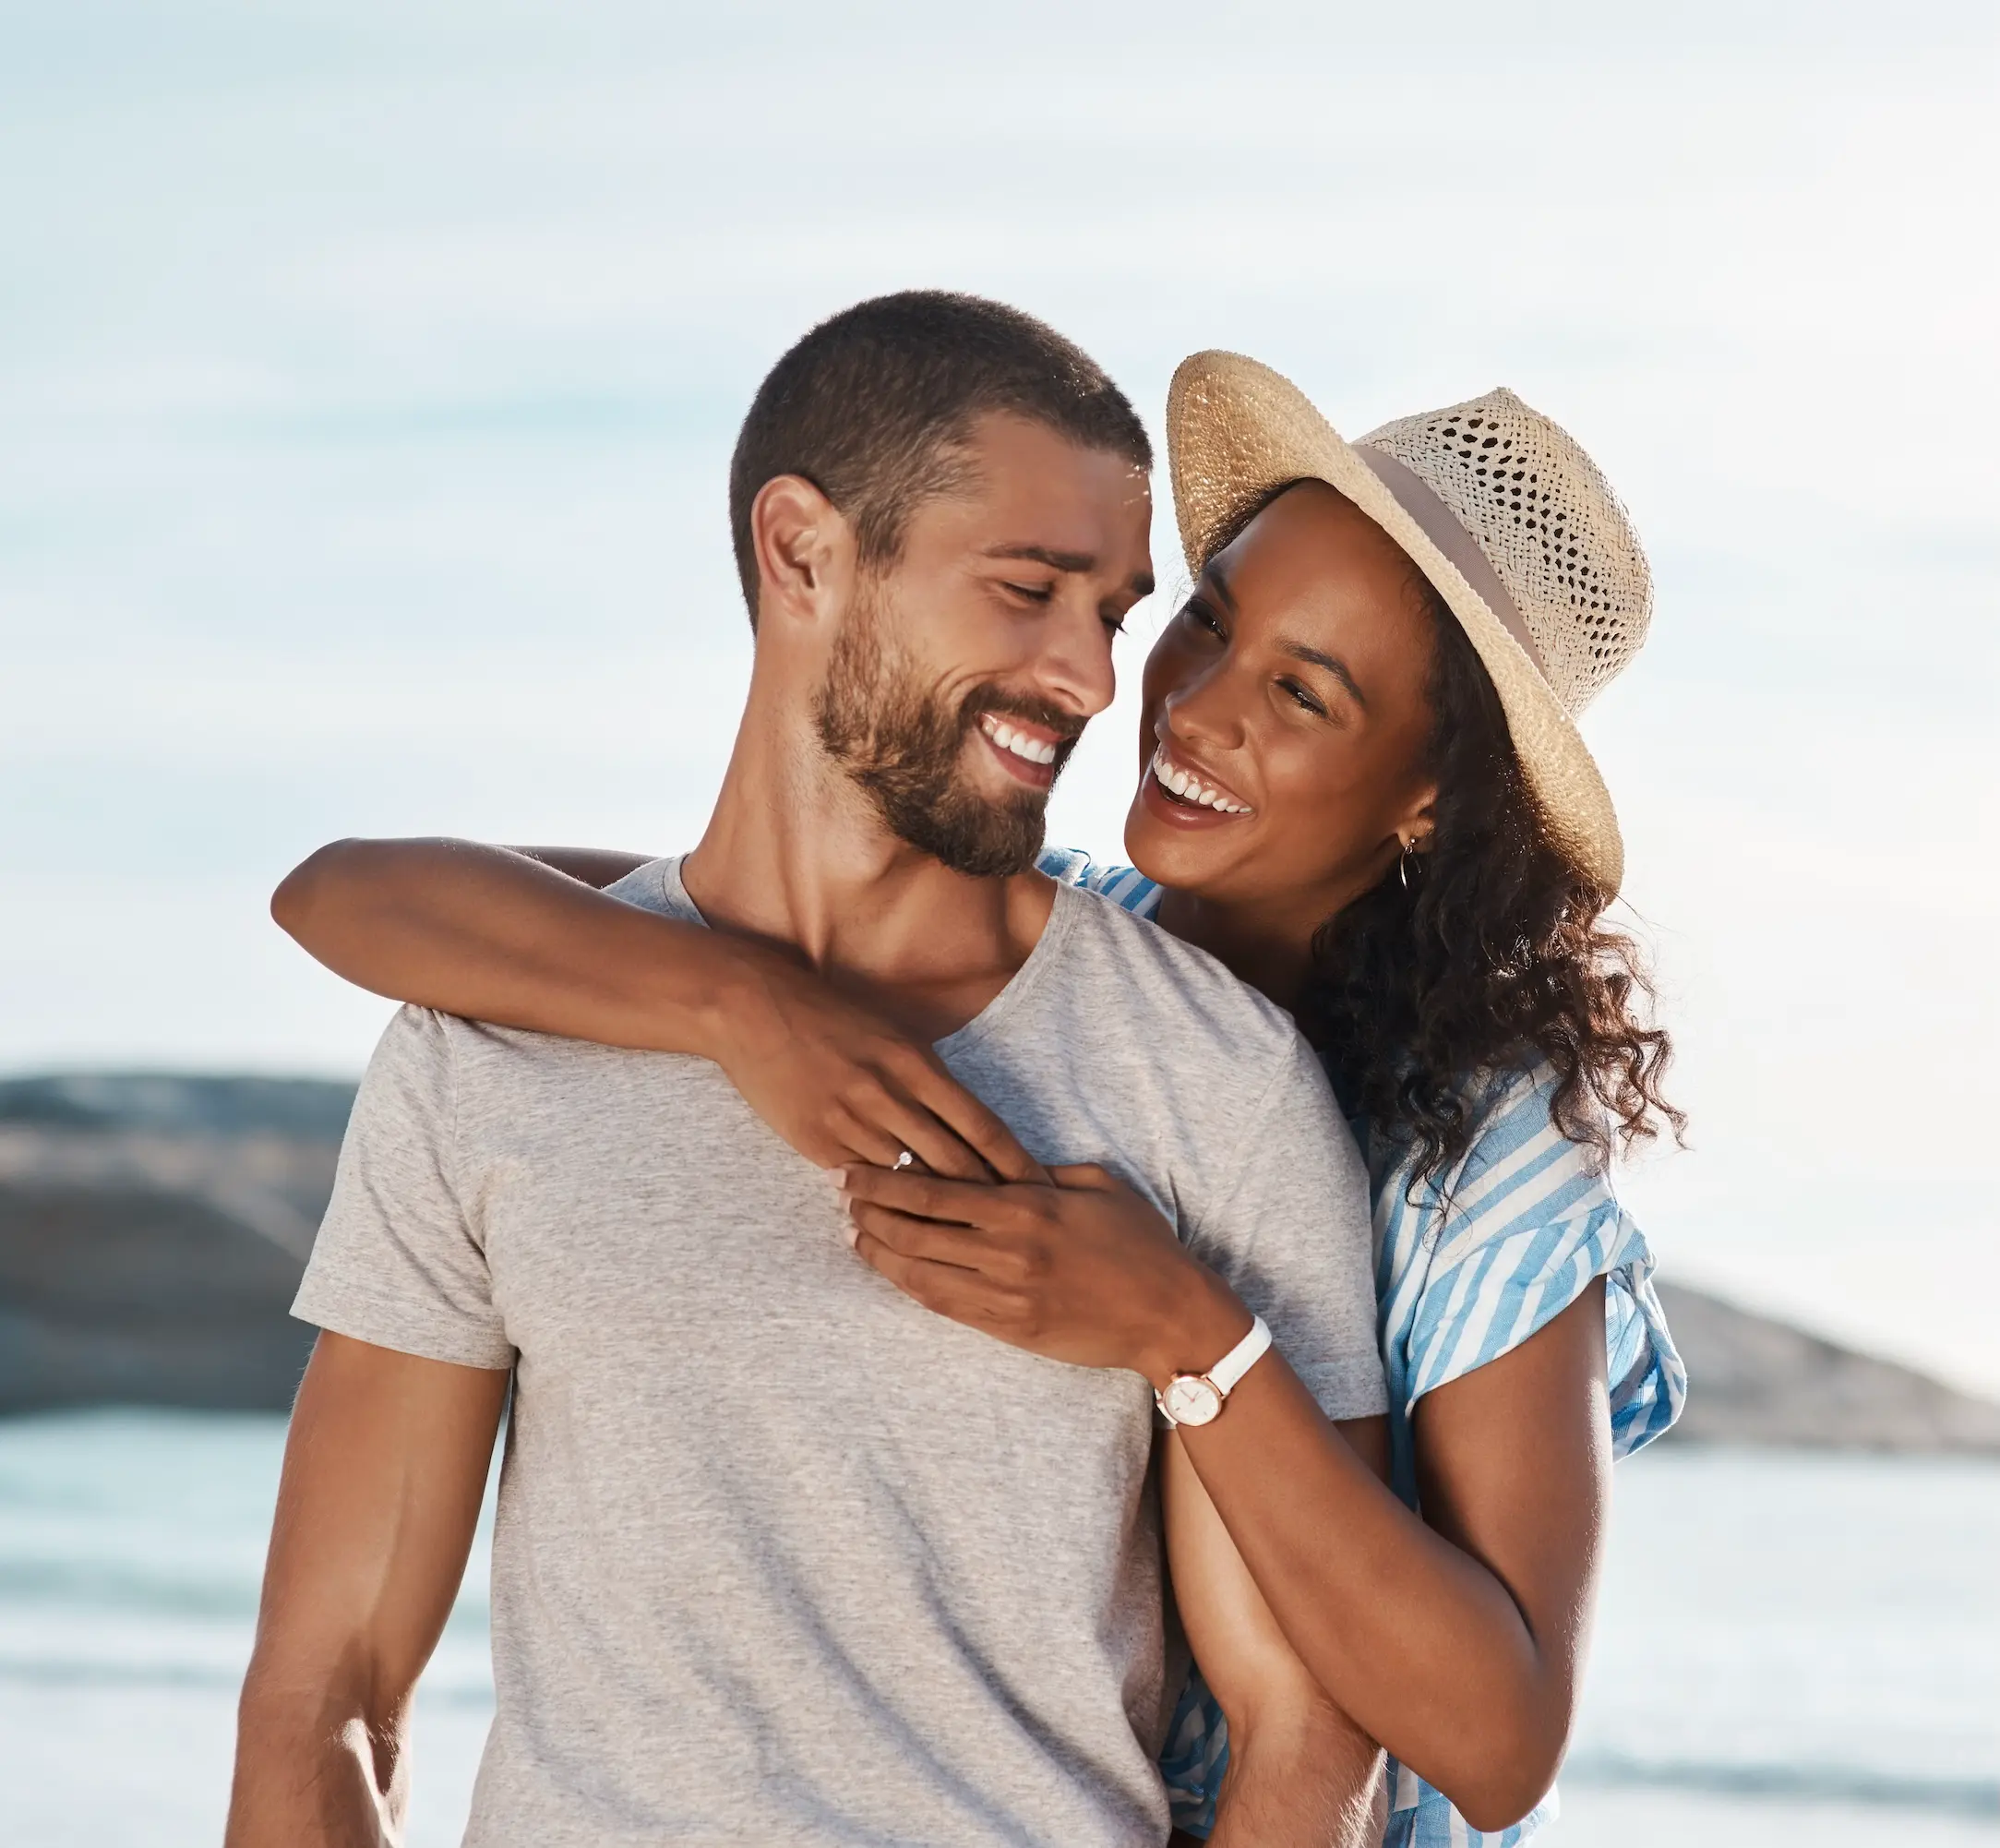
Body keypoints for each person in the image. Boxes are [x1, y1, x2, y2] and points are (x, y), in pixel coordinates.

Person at [277, 347, 1690, 1844]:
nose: (1191, 706)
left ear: (1426, 797)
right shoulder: (1060, 927)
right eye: (1204, 620)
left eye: (1301, 692)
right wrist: (741, 1007)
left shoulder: (1481, 1150)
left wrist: (1186, 1331)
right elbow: (381, 901)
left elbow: (1494, 1736)